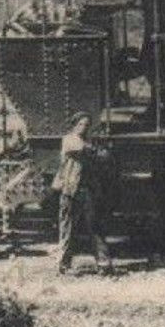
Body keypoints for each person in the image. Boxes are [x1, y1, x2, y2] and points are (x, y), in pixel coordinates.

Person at [53, 112, 113, 275]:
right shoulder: (69, 140)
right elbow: (83, 149)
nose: (84, 127)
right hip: (70, 190)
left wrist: (99, 151)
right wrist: (98, 149)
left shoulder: (88, 142)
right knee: (67, 228)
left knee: (95, 226)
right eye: (80, 124)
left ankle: (103, 263)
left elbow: (104, 157)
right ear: (74, 125)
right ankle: (63, 263)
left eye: (86, 125)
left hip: (87, 190)